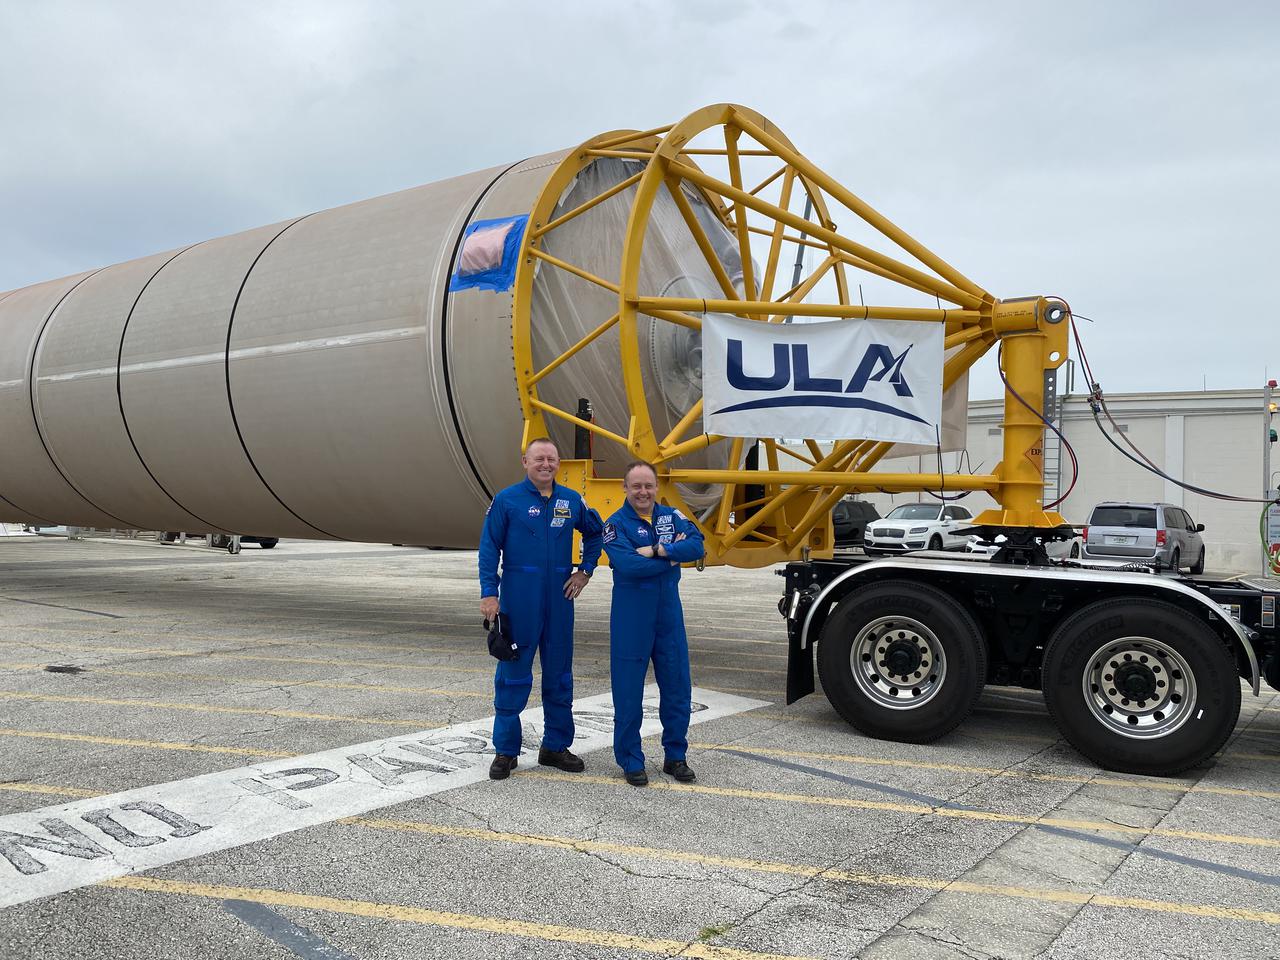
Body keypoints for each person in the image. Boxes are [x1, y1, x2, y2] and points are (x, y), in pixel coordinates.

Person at [478, 438, 604, 780]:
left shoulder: (571, 500)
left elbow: (596, 534)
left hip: (561, 599)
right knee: (513, 674)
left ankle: (555, 746)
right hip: (520, 596)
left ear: (558, 463)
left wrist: (585, 570)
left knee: (560, 674)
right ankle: (506, 751)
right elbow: (489, 547)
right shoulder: (507, 501)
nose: (546, 464)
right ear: (525, 462)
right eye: (539, 459)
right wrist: (489, 593)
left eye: (551, 459)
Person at [602, 460, 705, 787]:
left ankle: (675, 756)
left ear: (656, 487)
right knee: (628, 691)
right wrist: (675, 559)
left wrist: (660, 550)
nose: (643, 492)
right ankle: (631, 759)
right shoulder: (615, 524)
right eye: (636, 486)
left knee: (677, 686)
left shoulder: (671, 516)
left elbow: (698, 545)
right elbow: (628, 565)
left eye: (648, 485)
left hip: (668, 614)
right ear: (625, 488)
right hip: (631, 616)